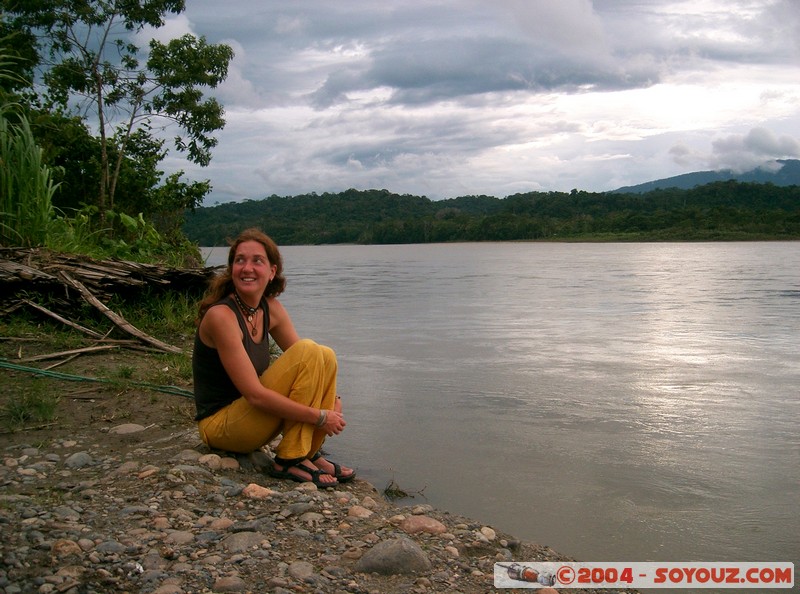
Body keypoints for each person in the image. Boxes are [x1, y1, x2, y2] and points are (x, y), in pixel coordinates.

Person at [192, 228, 355, 488]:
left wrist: (334, 399)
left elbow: (313, 364)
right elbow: (255, 395)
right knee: (309, 351)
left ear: (271, 272)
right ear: (231, 269)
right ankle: (291, 459)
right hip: (222, 427)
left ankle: (307, 453)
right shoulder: (221, 316)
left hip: (251, 418)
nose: (247, 268)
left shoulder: (271, 308)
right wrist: (320, 417)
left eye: (257, 260)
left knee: (324, 354)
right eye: (240, 260)